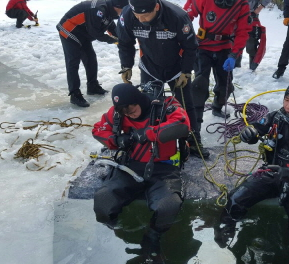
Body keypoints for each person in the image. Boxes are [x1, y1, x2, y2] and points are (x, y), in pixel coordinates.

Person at [214, 80, 289, 252]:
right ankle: (225, 237)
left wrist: (288, 171)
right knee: (235, 199)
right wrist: (250, 133)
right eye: (286, 100)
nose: (288, 106)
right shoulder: (279, 116)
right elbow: (259, 127)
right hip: (272, 171)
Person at [92, 83, 190, 257]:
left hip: (164, 169)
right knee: (103, 199)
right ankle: (114, 233)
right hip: (129, 167)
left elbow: (181, 125)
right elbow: (98, 129)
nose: (128, 114)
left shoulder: (165, 105)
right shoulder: (118, 113)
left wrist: (149, 133)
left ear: (138, 100)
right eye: (123, 111)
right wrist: (115, 139)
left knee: (168, 206)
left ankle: (152, 238)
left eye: (131, 109)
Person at [117, 0, 209, 158]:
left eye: (145, 15)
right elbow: (125, 43)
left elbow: (190, 46)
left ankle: (193, 141)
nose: (141, 20)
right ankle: (151, 141)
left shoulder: (177, 16)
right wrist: (126, 66)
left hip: (176, 68)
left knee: (185, 105)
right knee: (149, 107)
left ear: (156, 7)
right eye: (137, 15)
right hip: (149, 66)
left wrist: (186, 71)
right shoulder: (127, 15)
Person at [184, 0, 251, 120]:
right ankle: (196, 119)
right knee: (200, 84)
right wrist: (187, 38)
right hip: (203, 46)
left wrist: (234, 55)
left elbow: (243, 31)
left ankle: (217, 106)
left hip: (225, 48)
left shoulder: (241, 4)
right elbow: (185, 17)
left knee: (226, 85)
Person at [57, 0, 126, 107]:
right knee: (73, 61)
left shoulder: (108, 11)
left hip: (83, 32)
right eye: (124, 9)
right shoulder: (98, 10)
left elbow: (111, 27)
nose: (124, 12)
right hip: (68, 29)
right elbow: (95, 32)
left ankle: (92, 86)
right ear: (117, 6)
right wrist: (113, 40)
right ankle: (74, 94)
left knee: (91, 59)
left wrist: (122, 40)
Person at [235, 0, 270, 71]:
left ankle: (252, 67)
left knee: (251, 42)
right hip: (236, 13)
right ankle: (236, 65)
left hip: (251, 14)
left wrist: (260, 7)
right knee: (235, 40)